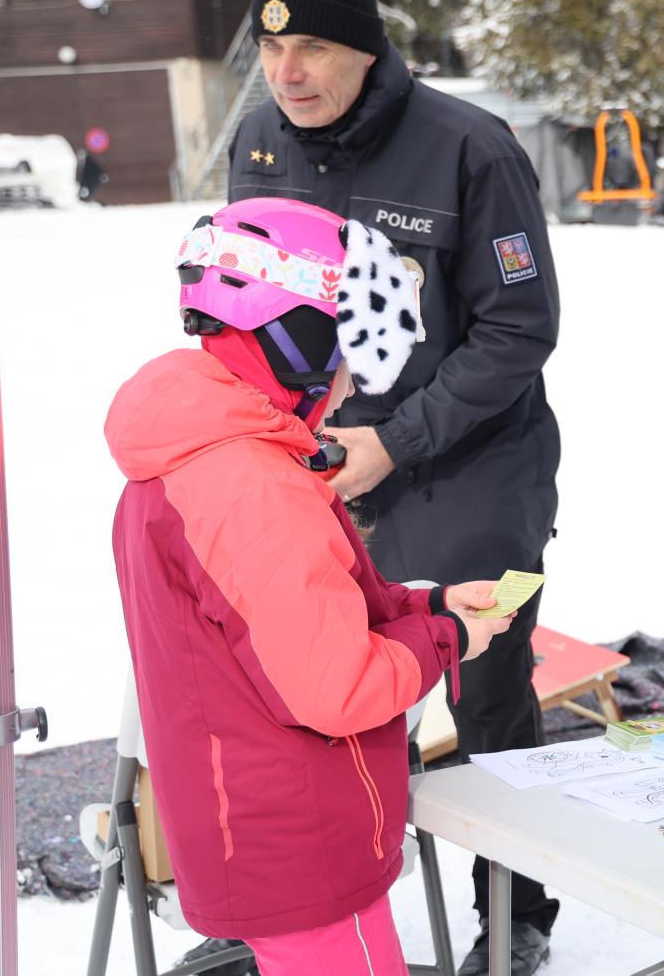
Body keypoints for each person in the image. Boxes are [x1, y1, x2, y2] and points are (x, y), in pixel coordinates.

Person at [228, 0, 561, 973]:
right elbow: (242, 309)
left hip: (475, 475)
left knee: (487, 697)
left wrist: (397, 438)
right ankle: (318, 918)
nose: (289, 71)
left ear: (367, 48)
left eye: (315, 47)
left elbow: (520, 327)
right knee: (315, 703)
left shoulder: (474, 148)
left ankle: (514, 920)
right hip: (322, 481)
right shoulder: (257, 145)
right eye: (274, 49)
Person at [107, 198, 518, 974]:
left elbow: (284, 617)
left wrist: (424, 605)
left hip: (253, 830)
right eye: (345, 352)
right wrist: (448, 639)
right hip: (301, 851)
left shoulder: (201, 454)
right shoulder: (251, 487)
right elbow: (338, 687)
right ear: (298, 337)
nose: (349, 382)